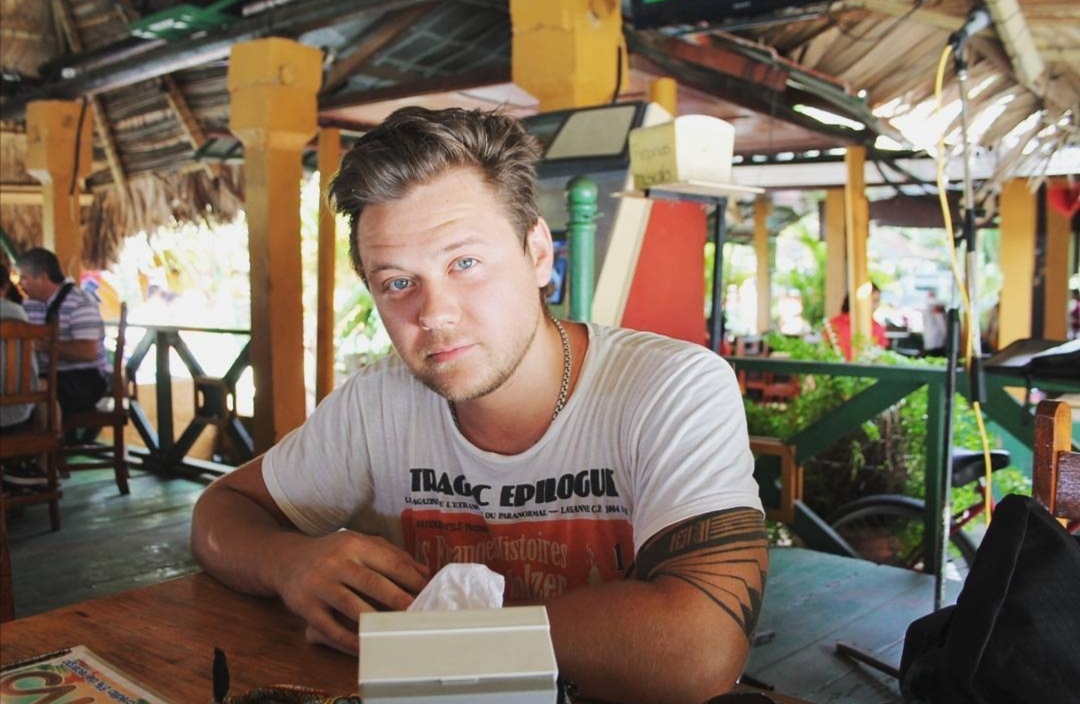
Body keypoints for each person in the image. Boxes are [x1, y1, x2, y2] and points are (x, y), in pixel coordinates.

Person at [191, 107, 767, 703]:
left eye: (464, 263)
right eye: (396, 283)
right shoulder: (378, 403)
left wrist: (421, 643)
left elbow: (699, 649)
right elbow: (221, 512)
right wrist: (286, 562)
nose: (434, 312)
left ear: (538, 253)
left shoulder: (670, 387)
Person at [14, 248, 108, 417]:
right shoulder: (28, 306)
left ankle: (49, 440)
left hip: (84, 380)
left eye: (24, 278)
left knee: (38, 392)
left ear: (43, 277)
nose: (20, 283)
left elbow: (88, 352)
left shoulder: (81, 302)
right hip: (43, 376)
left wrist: (46, 346)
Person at [825, 285, 888, 361]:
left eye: (878, 301)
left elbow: (881, 359)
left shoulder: (879, 328)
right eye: (873, 301)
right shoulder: (834, 324)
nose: (876, 305)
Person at [921, 290, 947, 357]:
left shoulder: (940, 316)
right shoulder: (927, 312)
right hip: (930, 344)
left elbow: (944, 330)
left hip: (938, 345)